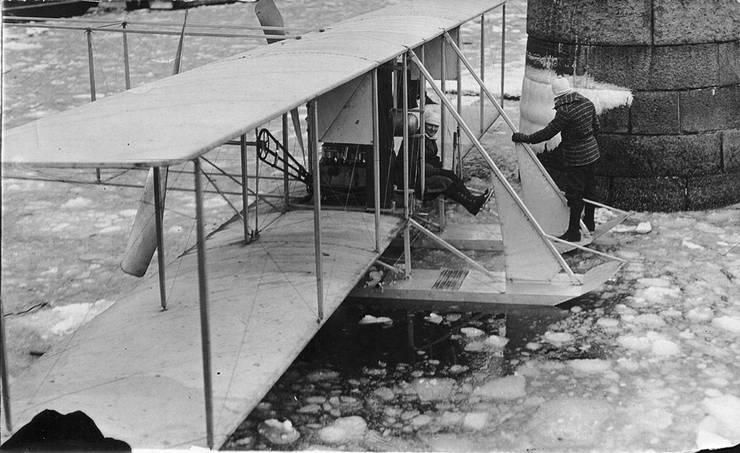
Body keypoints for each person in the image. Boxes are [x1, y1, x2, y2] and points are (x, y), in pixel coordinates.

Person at [512, 76, 600, 241]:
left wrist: (525, 138)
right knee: (590, 188)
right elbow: (597, 127)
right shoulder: (587, 103)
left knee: (575, 194)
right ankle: (590, 221)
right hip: (593, 153)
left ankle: (573, 232)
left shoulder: (565, 112)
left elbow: (548, 133)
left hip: (577, 158)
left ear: (557, 95)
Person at [395, 106, 489, 215]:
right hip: (414, 179)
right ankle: (470, 203)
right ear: (424, 124)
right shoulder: (416, 139)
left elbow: (431, 160)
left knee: (451, 175)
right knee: (445, 181)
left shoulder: (428, 139)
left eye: (436, 126)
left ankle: (472, 200)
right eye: (430, 125)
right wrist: (437, 171)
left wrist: (438, 169)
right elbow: (415, 165)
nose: (433, 129)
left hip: (424, 174)